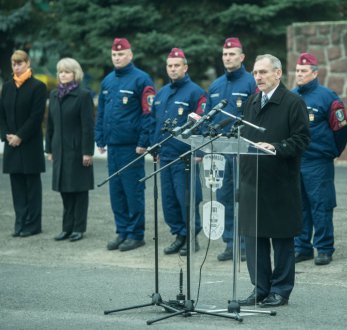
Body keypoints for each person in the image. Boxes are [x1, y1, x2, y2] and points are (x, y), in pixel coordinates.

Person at [238, 54, 310, 307]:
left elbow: (302, 139)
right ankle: (260, 288)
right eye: (255, 73)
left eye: (263, 72)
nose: (258, 77)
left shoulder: (293, 102)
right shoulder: (251, 102)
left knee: (281, 239)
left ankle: (280, 290)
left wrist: (277, 147)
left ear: (278, 74)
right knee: (253, 238)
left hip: (279, 181)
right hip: (251, 181)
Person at [95, 38, 155, 252]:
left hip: (132, 148)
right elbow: (101, 112)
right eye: (114, 55)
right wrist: (100, 137)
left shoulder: (141, 79)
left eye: (121, 54)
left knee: (133, 191)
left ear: (130, 55)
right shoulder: (108, 81)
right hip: (113, 146)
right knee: (116, 192)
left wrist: (143, 141)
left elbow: (148, 113)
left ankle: (136, 234)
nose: (117, 58)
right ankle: (122, 231)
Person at [291, 52, 347, 266]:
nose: (299, 74)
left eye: (304, 71)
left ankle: (324, 248)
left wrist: (332, 151)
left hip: (318, 161)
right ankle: (302, 247)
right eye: (297, 71)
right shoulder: (291, 96)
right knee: (299, 206)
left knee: (321, 205)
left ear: (315, 73)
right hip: (296, 161)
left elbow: (342, 129)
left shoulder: (328, 97)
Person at [204, 37, 256, 262]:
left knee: (243, 196)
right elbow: (207, 118)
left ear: (242, 57)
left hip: (243, 150)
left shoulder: (251, 82)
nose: (228, 58)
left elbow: (256, 114)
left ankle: (245, 242)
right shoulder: (215, 86)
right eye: (225, 54)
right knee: (224, 197)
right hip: (220, 152)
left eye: (232, 54)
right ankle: (229, 242)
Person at [151, 48, 206, 256]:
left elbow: (200, 123)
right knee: (169, 201)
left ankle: (192, 237)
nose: (173, 69)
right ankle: (179, 235)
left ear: (185, 67)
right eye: (170, 66)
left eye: (176, 66)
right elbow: (154, 123)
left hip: (184, 157)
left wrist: (198, 150)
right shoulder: (162, 93)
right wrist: (154, 146)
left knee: (187, 199)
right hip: (165, 156)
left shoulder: (196, 92)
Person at [45, 58, 95, 242]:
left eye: (67, 71)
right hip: (60, 149)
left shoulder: (83, 96)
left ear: (75, 74)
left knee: (79, 190)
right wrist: (49, 148)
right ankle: (66, 227)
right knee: (64, 189)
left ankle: (78, 228)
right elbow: (49, 124)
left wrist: (87, 151)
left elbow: (88, 126)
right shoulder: (53, 95)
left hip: (77, 150)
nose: (63, 75)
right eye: (60, 72)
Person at [0, 50, 47, 237]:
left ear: (28, 63)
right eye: (14, 63)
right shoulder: (8, 87)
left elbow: (36, 117)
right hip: (11, 144)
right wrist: (6, 135)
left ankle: (33, 224)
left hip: (29, 145)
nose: (16, 67)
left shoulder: (38, 87)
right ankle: (20, 222)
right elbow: (1, 114)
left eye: (20, 63)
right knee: (17, 186)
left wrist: (20, 136)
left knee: (32, 187)